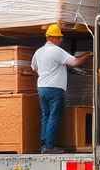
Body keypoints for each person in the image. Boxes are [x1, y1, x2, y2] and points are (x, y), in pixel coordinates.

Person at [31, 23, 93, 154]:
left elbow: (34, 68)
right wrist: (88, 55)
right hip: (55, 88)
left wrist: (46, 74)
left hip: (42, 87)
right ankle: (49, 147)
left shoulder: (39, 51)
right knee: (54, 116)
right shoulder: (56, 51)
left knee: (45, 115)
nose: (61, 40)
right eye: (59, 37)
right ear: (52, 37)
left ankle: (43, 144)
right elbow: (75, 62)